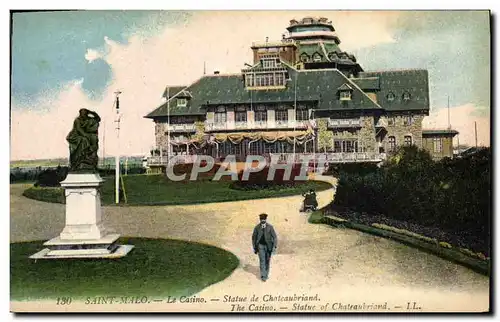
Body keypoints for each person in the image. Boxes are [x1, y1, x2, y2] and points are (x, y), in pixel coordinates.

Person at [252, 213, 278, 282]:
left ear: (266, 219)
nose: (262, 221)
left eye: (264, 219)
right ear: (260, 220)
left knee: (267, 260)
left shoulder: (270, 227)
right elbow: (254, 238)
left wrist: (275, 246)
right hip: (260, 246)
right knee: (262, 260)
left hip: (268, 246)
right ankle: (263, 276)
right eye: (261, 219)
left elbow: (274, 237)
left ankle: (266, 274)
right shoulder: (257, 227)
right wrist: (254, 247)